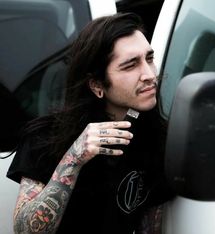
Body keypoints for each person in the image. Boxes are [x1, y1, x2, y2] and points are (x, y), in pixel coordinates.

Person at [7, 12, 174, 234]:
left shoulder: (156, 138)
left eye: (149, 59)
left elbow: (151, 226)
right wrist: (74, 157)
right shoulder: (45, 136)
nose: (149, 74)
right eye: (130, 65)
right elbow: (26, 231)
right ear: (97, 85)